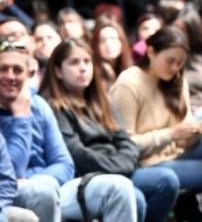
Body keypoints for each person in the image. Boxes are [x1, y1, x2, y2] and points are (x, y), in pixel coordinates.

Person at [0, 30, 140, 222]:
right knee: (42, 191)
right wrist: (21, 119)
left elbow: (64, 163)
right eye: (3, 69)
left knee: (119, 187)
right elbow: (10, 173)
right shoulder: (44, 105)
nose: (10, 76)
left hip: (52, 184)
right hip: (11, 194)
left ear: (28, 74)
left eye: (17, 70)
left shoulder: (38, 104)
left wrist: (40, 177)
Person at [39, 39, 179, 222]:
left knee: (168, 181)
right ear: (57, 71)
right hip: (89, 176)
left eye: (87, 61)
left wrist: (122, 164)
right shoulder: (54, 106)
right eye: (74, 62)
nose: (83, 68)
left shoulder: (102, 101)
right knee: (135, 198)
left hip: (120, 167)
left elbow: (125, 141)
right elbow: (76, 153)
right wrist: (117, 167)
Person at [109, 26, 202, 207]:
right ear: (151, 52)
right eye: (170, 61)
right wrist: (170, 134)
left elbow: (183, 141)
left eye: (180, 63)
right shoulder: (129, 83)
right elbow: (124, 145)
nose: (175, 68)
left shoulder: (177, 81)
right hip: (146, 163)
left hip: (175, 153)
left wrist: (198, 131)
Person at [90, 15, 133, 84]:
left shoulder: (130, 69)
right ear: (96, 45)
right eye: (102, 41)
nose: (108, 44)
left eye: (112, 39)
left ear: (121, 42)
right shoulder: (91, 71)